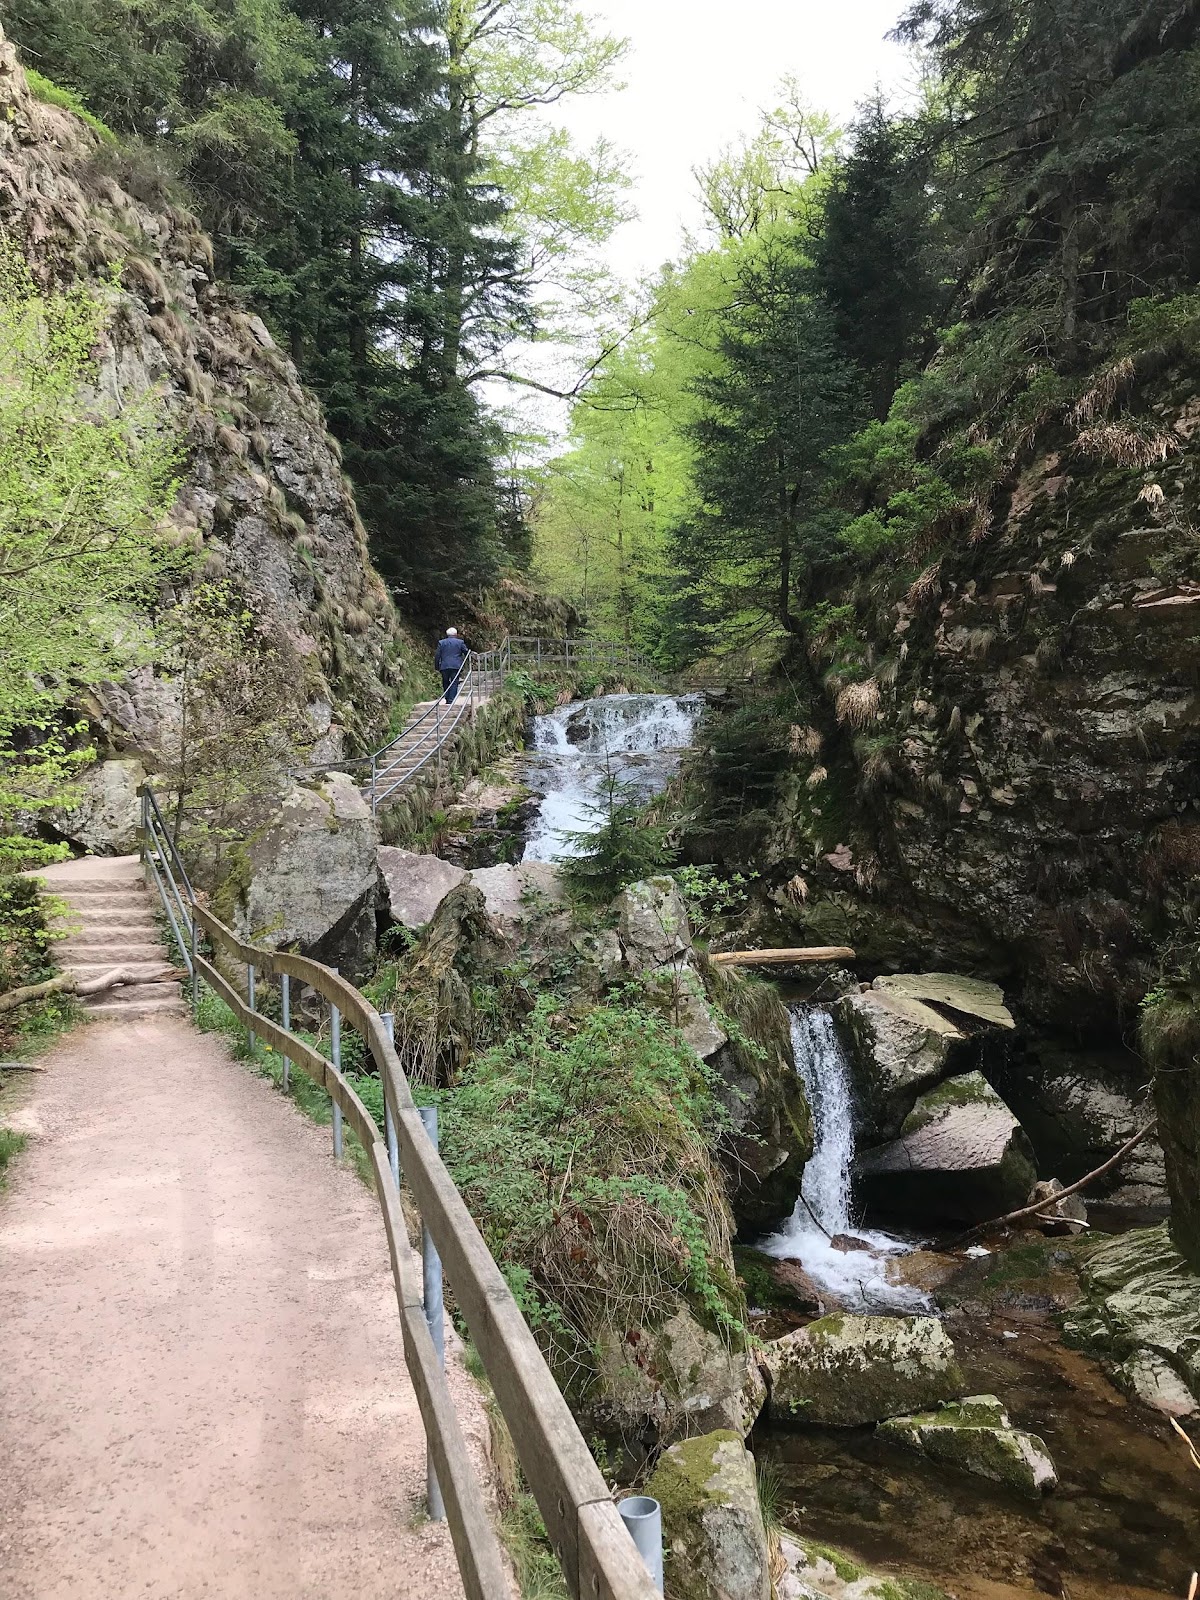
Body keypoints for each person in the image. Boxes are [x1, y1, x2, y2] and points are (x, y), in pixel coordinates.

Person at [434, 626, 470, 704]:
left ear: (447, 634)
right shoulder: (460, 642)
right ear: (456, 634)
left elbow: (437, 655)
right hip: (456, 666)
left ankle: (447, 697)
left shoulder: (441, 642)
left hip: (444, 666)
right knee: (454, 682)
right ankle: (451, 700)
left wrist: (437, 666)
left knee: (445, 681)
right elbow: (466, 652)